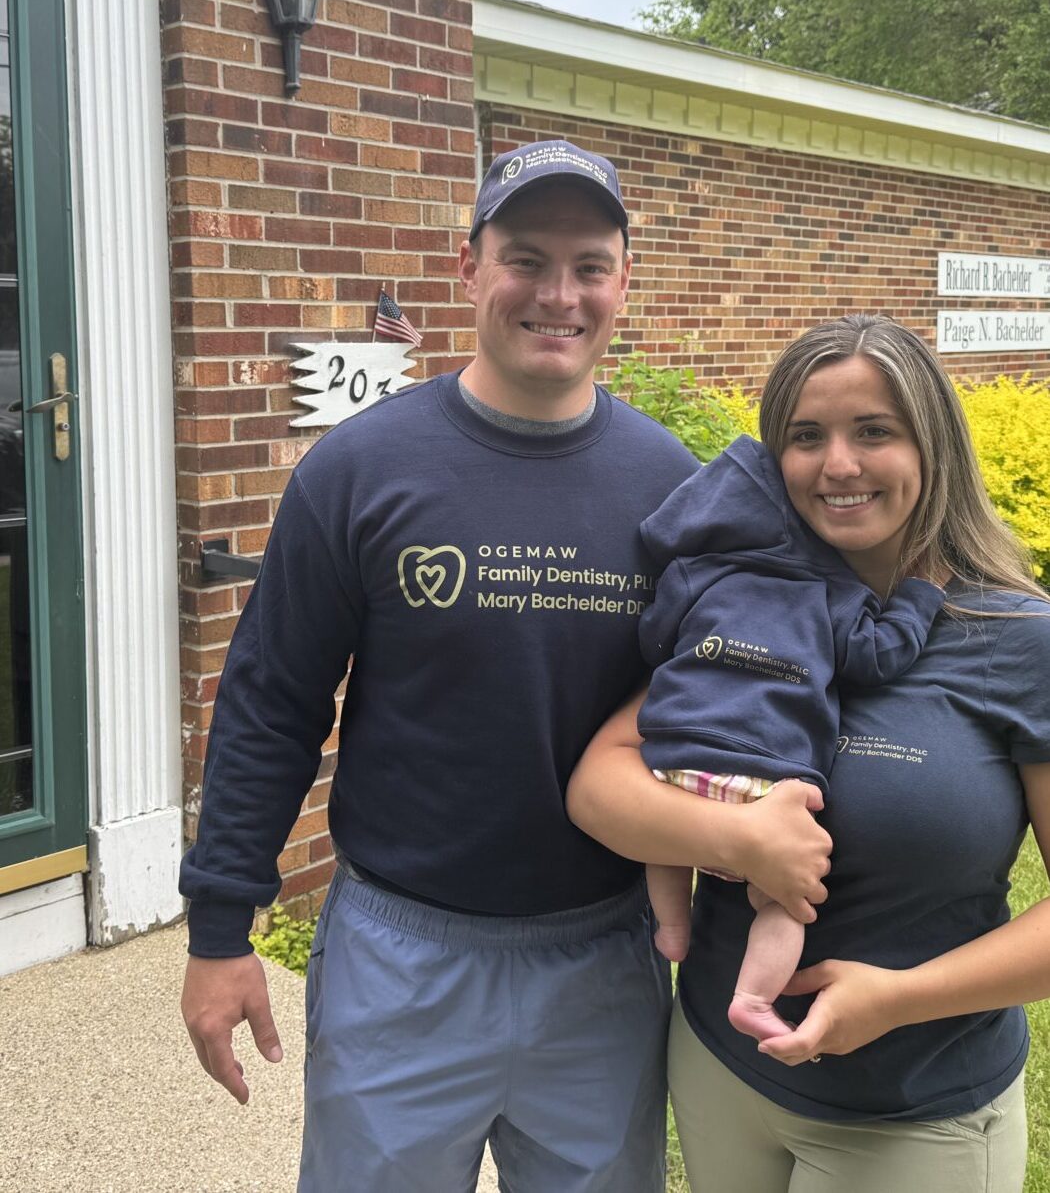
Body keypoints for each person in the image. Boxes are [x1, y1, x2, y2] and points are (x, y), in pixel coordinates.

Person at [177, 138, 832, 1193]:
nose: (557, 294)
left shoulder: (672, 487)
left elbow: (724, 693)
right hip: (402, 957)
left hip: (602, 963)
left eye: (590, 265)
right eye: (526, 257)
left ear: (624, 281)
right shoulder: (360, 470)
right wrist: (219, 931)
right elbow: (271, 703)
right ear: (467, 267)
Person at [568, 313, 1050, 1193]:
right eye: (805, 436)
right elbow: (601, 782)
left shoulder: (1017, 640)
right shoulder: (754, 600)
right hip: (720, 1070)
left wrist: (897, 999)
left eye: (875, 432)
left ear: (933, 445)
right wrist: (738, 843)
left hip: (914, 1111)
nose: (837, 465)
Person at [638, 432, 945, 1045]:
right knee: (783, 898)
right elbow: (876, 657)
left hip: (675, 758)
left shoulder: (697, 573)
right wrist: (919, 597)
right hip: (767, 781)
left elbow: (655, 636)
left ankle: (672, 927)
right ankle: (753, 997)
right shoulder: (832, 591)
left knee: (661, 837)